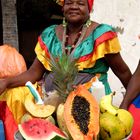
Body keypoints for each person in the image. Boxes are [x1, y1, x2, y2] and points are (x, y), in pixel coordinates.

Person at [0, 0, 131, 132]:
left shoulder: (101, 35)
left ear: (89, 8)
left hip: (89, 111)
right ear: (63, 8)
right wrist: (6, 82)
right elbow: (34, 73)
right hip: (51, 108)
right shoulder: (49, 35)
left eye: (80, 3)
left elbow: (123, 72)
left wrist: (130, 104)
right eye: (69, 3)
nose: (74, 7)